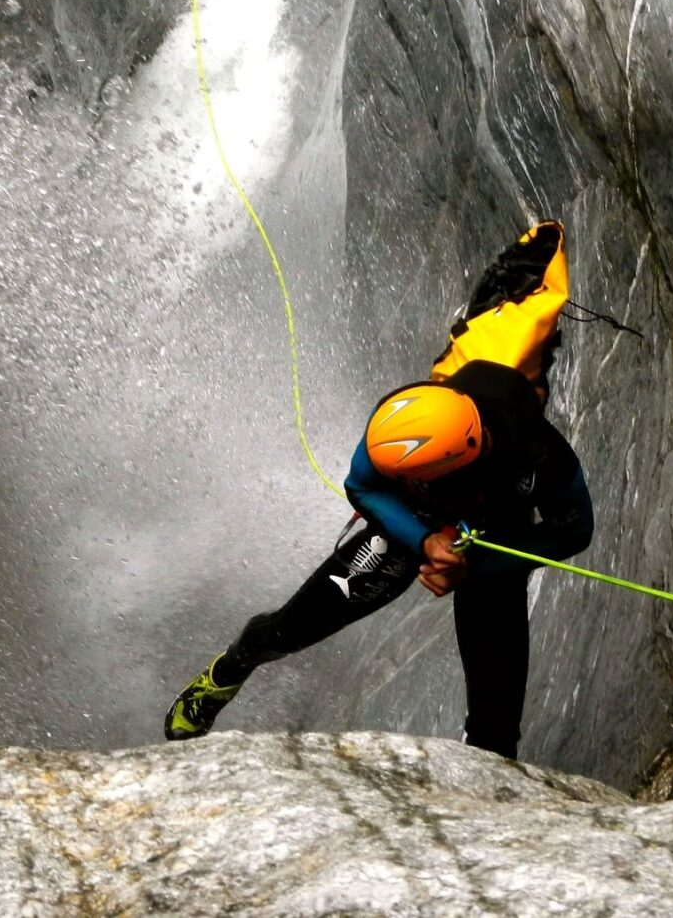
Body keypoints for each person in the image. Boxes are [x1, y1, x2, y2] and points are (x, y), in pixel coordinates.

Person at [163, 223, 594, 759]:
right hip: (420, 520)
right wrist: (422, 541)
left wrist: (476, 562)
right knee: (289, 628)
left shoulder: (535, 452)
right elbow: (361, 486)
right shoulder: (399, 425)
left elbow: (574, 530)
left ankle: (489, 775)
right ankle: (229, 670)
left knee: (496, 719)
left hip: (493, 529)